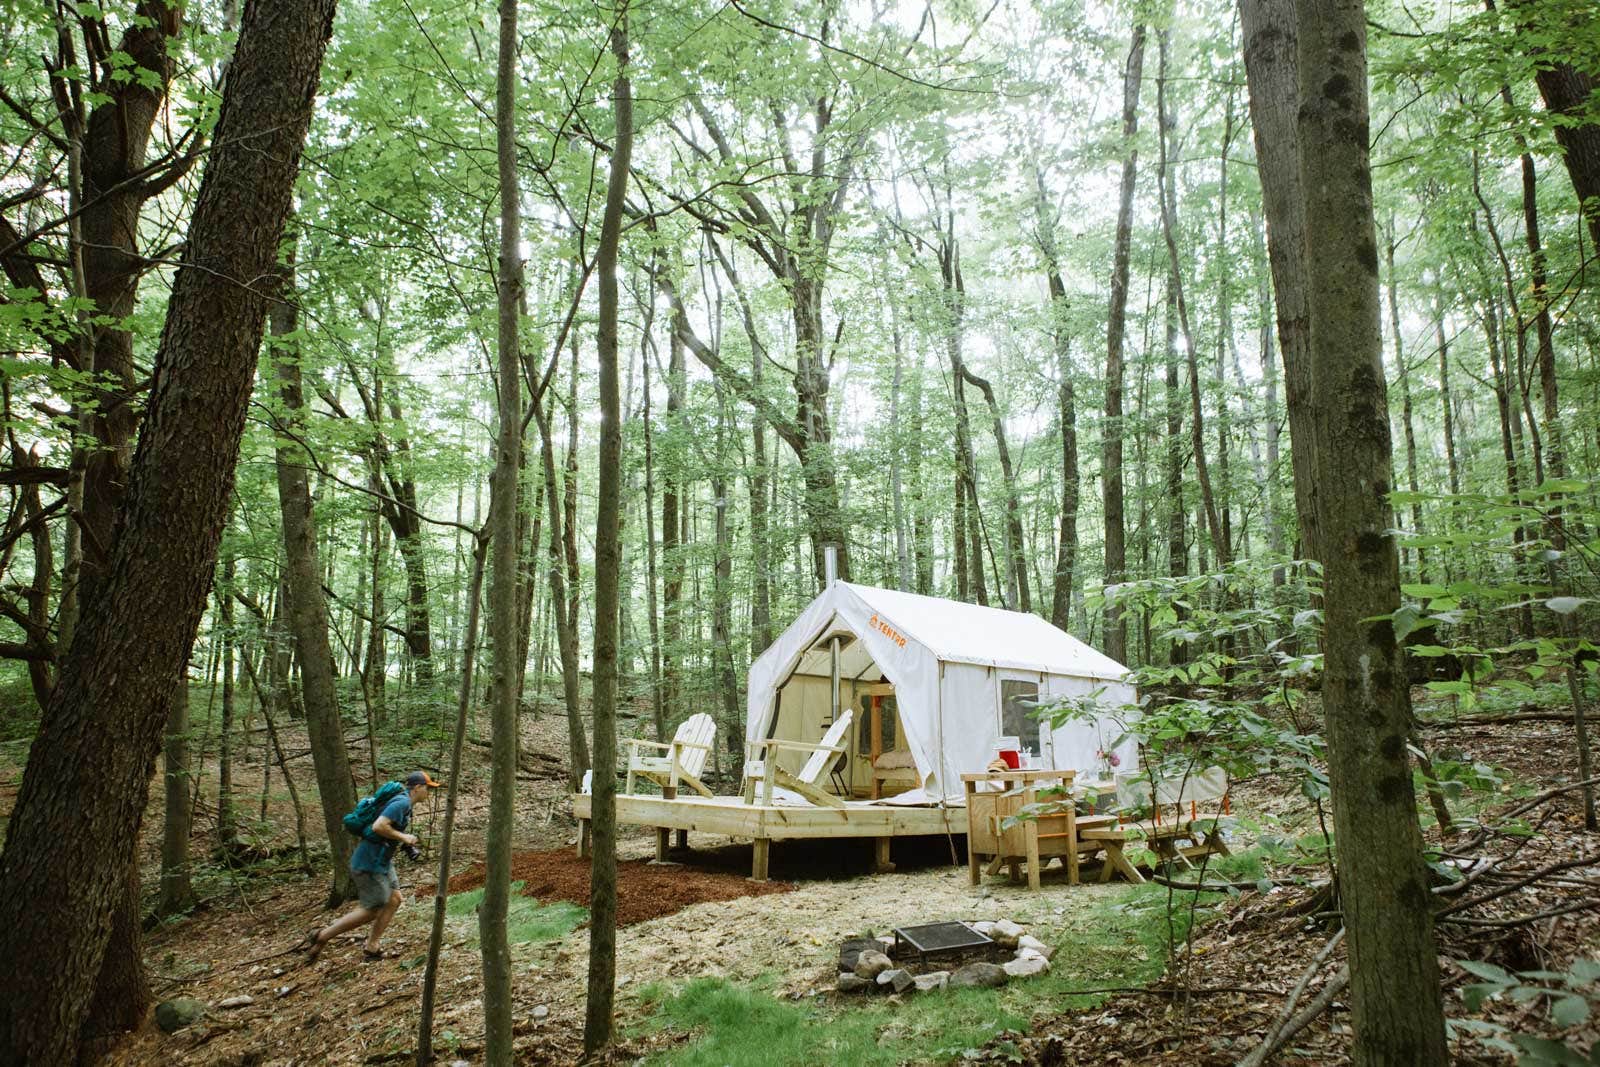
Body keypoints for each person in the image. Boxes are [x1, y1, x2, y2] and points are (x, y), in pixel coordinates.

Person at [302, 770, 440, 961]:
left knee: (395, 899)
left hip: (381, 860)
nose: (429, 793)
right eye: (428, 788)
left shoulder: (403, 803)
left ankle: (372, 947)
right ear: (417, 788)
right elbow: (379, 826)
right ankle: (322, 935)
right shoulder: (401, 803)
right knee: (373, 908)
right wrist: (404, 837)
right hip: (369, 862)